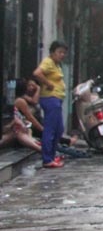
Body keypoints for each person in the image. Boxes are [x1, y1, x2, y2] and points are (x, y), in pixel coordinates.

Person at [32, 40, 68, 169]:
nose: (62, 55)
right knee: (50, 129)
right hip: (50, 99)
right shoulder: (48, 62)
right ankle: (47, 159)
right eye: (59, 52)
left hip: (56, 99)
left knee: (58, 129)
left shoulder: (56, 65)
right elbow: (37, 73)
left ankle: (51, 157)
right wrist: (48, 84)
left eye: (64, 53)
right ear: (52, 52)